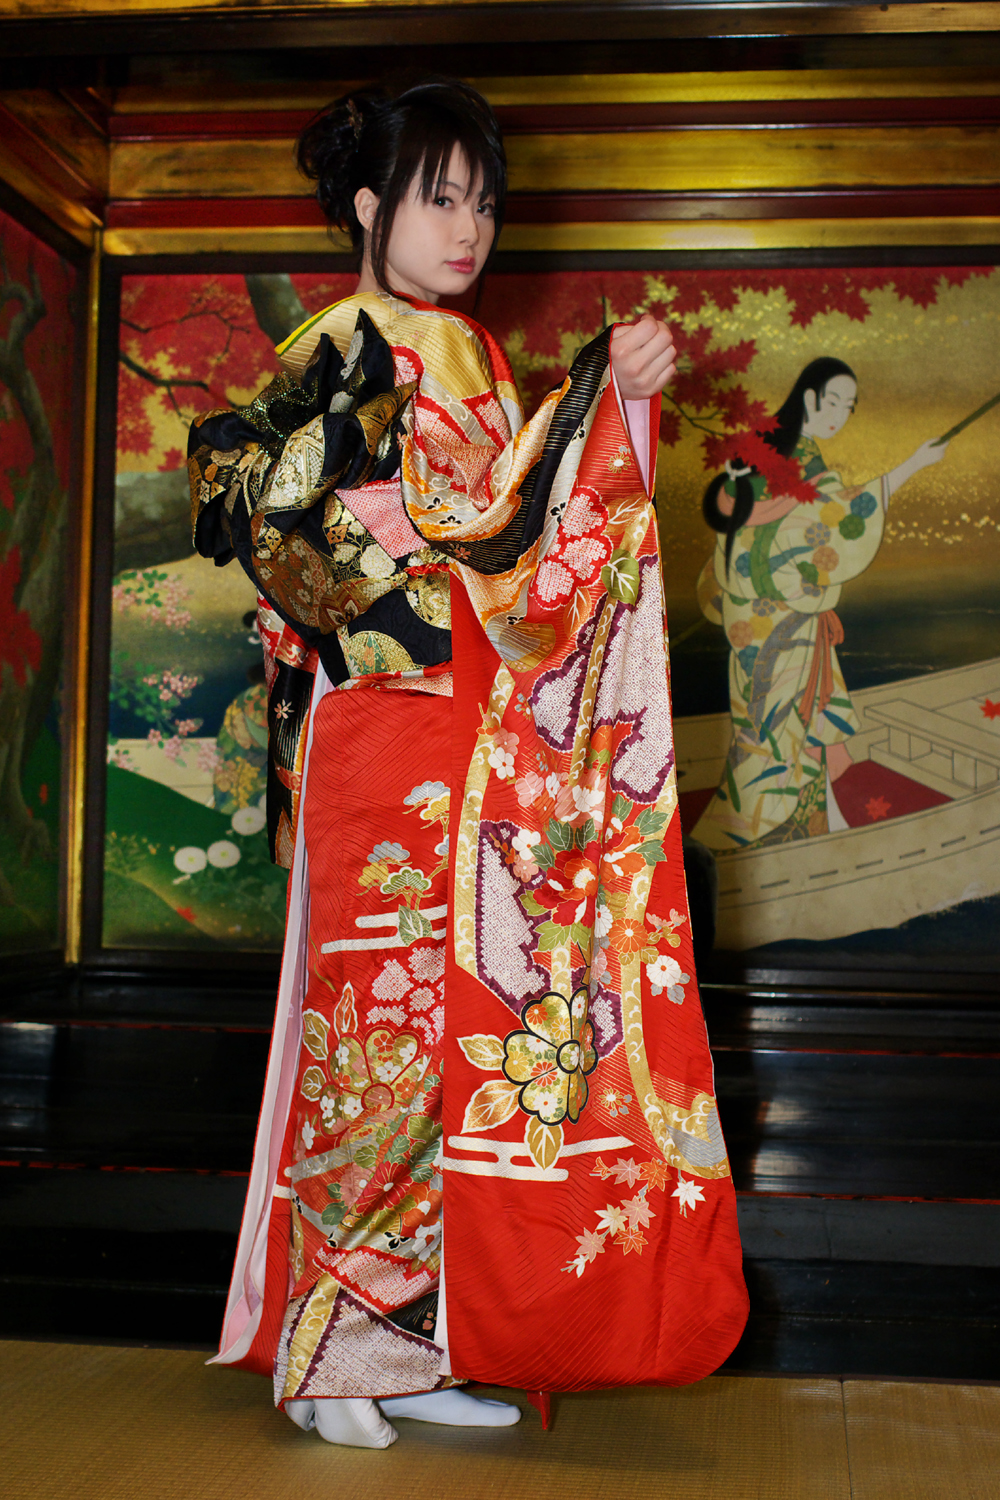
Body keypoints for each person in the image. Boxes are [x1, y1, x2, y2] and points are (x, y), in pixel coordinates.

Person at [189, 78, 747, 1451]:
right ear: (367, 206)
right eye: (439, 199)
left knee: (462, 1036)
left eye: (485, 204)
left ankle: (423, 1334)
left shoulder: (474, 359)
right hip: (389, 722)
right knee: (378, 1032)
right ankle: (334, 1352)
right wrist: (567, 428)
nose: (469, 230)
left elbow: (525, 534)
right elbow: (270, 514)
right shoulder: (341, 343)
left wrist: (603, 416)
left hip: (472, 731)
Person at [694, 357, 949, 852]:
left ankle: (809, 822)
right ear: (809, 398)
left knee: (779, 720)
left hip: (756, 616)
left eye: (848, 406)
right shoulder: (795, 463)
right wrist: (913, 465)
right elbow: (842, 519)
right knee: (771, 727)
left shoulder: (771, 453)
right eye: (833, 401)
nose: (839, 414)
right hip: (780, 620)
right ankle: (745, 830)